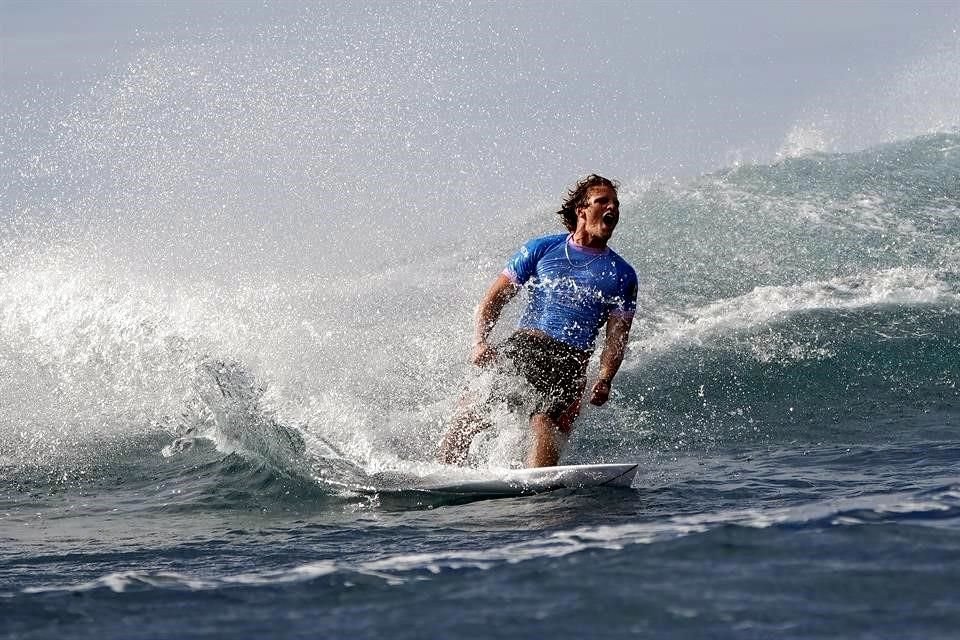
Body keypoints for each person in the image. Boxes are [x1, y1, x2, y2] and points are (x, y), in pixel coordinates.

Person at [438, 174, 637, 468]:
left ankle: (538, 492)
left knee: (544, 422)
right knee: (475, 407)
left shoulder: (622, 274)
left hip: (570, 363)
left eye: (615, 203)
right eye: (602, 201)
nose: (613, 208)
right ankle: (442, 471)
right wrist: (480, 341)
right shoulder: (541, 249)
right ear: (582, 211)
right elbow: (494, 298)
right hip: (524, 347)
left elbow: (617, 337)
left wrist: (605, 378)